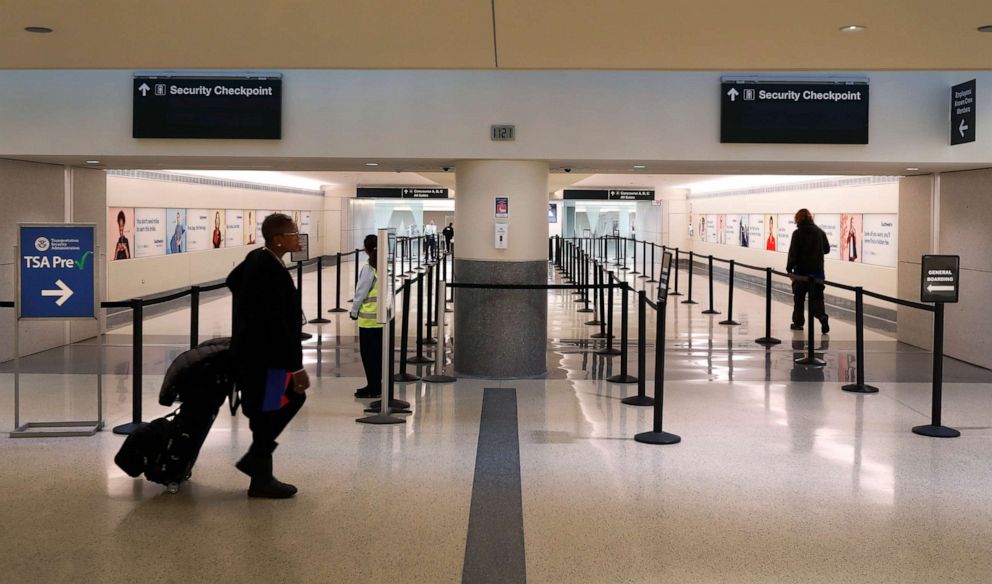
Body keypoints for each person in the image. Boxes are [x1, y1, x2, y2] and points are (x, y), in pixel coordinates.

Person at [226, 213, 309, 498]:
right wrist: (297, 369)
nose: (298, 238)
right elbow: (277, 325)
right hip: (266, 362)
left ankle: (259, 472)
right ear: (278, 239)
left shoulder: (259, 258)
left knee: (267, 412)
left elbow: (232, 280)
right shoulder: (268, 269)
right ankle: (259, 471)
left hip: (260, 357)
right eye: (294, 234)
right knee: (283, 402)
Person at [786, 208, 831, 334]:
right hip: (817, 273)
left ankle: (798, 323)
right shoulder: (820, 232)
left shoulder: (797, 233)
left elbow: (793, 254)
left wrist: (789, 269)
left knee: (799, 299)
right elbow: (827, 249)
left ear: (798, 219)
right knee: (817, 298)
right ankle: (822, 317)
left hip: (801, 274)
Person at [350, 234, 383, 399]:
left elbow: (360, 293)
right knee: (379, 356)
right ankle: (378, 385)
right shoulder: (383, 266)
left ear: (366, 249)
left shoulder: (368, 268)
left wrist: (354, 311)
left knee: (369, 356)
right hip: (383, 320)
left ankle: (373, 387)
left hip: (369, 321)